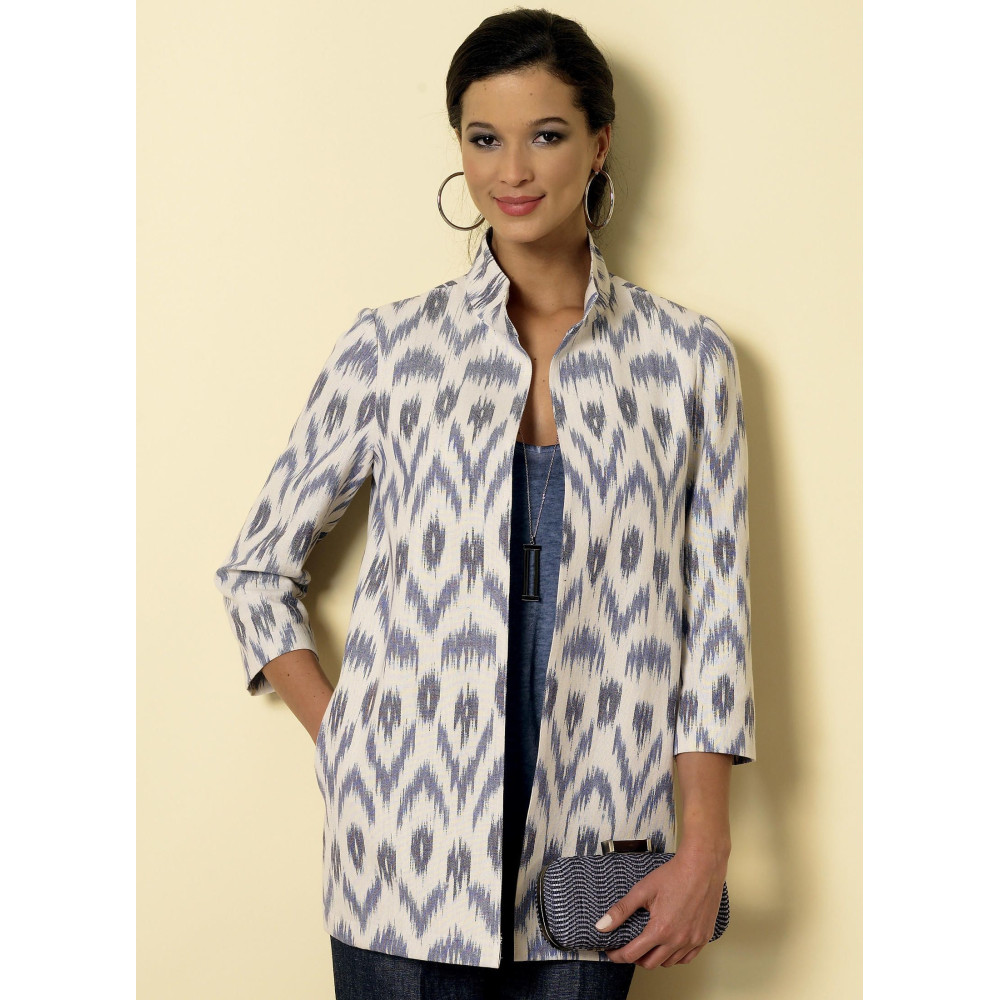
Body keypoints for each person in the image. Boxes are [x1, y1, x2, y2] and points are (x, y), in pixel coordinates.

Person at [214, 8, 756, 999]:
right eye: (483, 138)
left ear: (598, 143)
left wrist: (705, 846)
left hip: (596, 849)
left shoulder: (688, 360)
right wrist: (347, 743)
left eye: (545, 135)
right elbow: (255, 570)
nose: (512, 171)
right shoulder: (392, 348)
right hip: (403, 848)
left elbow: (715, 617)